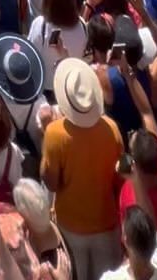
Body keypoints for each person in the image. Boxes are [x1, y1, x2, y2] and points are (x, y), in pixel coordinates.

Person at [41, 58, 124, 280]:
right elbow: (119, 181)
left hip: (71, 227)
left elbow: (51, 183)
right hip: (107, 225)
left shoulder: (54, 134)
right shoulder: (113, 129)